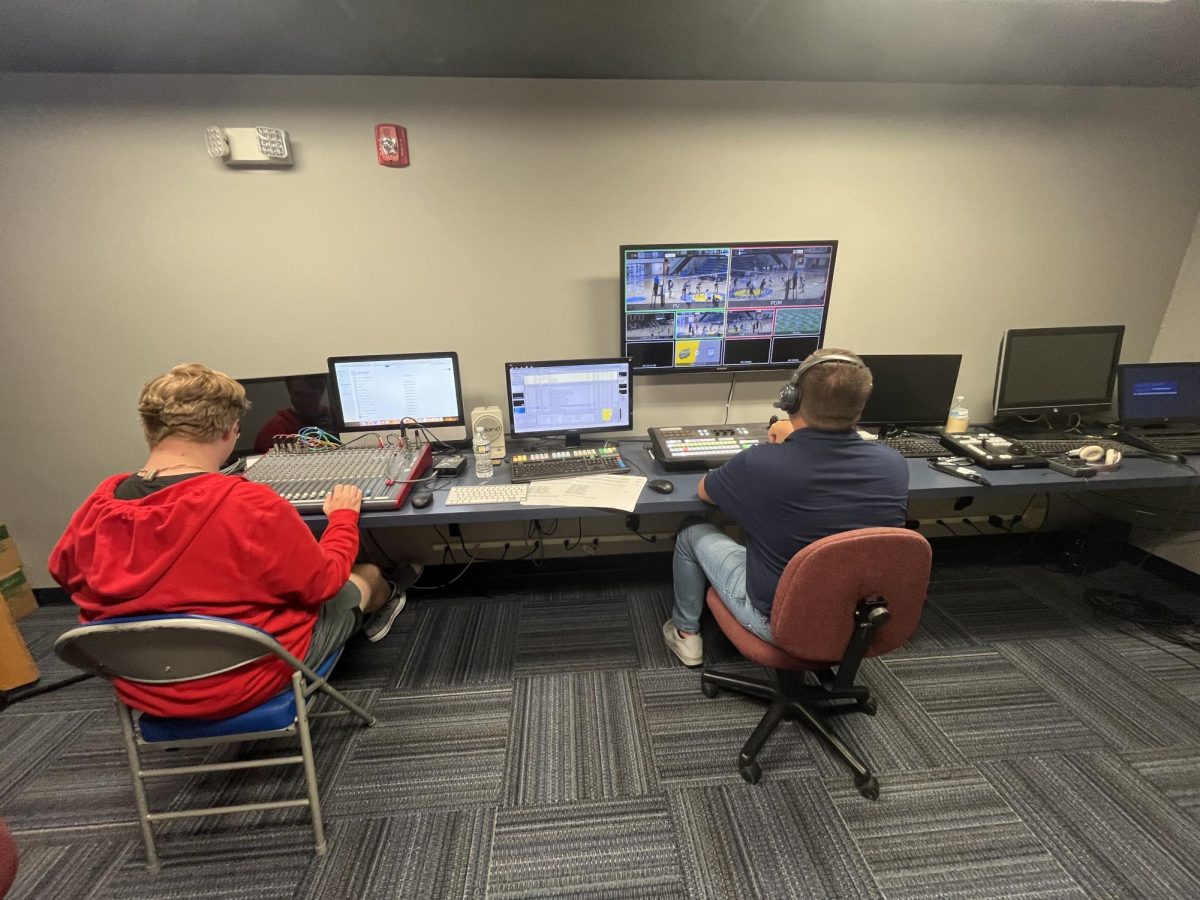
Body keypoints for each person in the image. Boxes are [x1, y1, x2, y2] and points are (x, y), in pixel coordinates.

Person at [49, 363, 418, 719]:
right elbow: (322, 584)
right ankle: (387, 597)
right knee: (366, 576)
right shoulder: (247, 504)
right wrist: (342, 520)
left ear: (149, 428)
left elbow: (63, 573)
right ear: (230, 431)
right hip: (249, 678)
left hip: (142, 684)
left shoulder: (100, 503)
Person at [662, 349, 909, 667]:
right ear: (859, 408)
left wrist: (777, 446)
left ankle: (685, 635)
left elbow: (704, 492)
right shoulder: (894, 465)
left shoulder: (762, 462)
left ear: (791, 400)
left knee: (692, 530)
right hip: (859, 618)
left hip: (778, 622)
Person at [254, 374, 335, 453]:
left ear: (321, 391)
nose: (306, 401)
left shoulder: (336, 419)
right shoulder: (274, 429)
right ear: (290, 392)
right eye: (299, 395)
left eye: (311, 394)